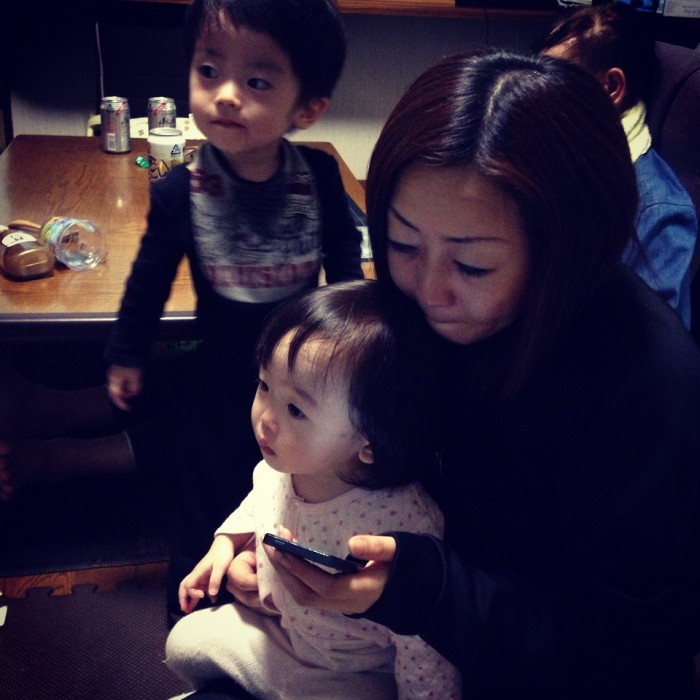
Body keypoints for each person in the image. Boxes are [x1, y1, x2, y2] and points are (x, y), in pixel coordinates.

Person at [223, 50, 700, 699]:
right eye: (402, 244)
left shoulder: (646, 385)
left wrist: (430, 590)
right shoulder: (410, 316)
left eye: (472, 266)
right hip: (376, 645)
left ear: (566, 252)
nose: (428, 291)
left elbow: (610, 642)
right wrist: (258, 545)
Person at [0, 0, 362, 613]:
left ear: (307, 108)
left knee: (295, 485)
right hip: (217, 371)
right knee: (203, 493)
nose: (226, 95)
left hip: (299, 372)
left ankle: (285, 599)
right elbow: (150, 274)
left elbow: (344, 256)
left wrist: (354, 336)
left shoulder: (319, 177)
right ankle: (185, 609)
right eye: (209, 70)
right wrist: (126, 353)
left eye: (257, 81)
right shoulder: (180, 190)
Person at [164, 280, 461, 699]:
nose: (266, 418)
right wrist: (224, 546)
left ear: (370, 441)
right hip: (287, 632)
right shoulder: (285, 465)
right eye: (264, 385)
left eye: (296, 409)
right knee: (184, 641)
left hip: (354, 670)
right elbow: (259, 500)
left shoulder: (403, 522)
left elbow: (424, 646)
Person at [532, 2, 697, 328]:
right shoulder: (551, 151)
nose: (536, 92)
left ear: (611, 87)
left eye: (554, 78)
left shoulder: (656, 211)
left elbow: (653, 346)